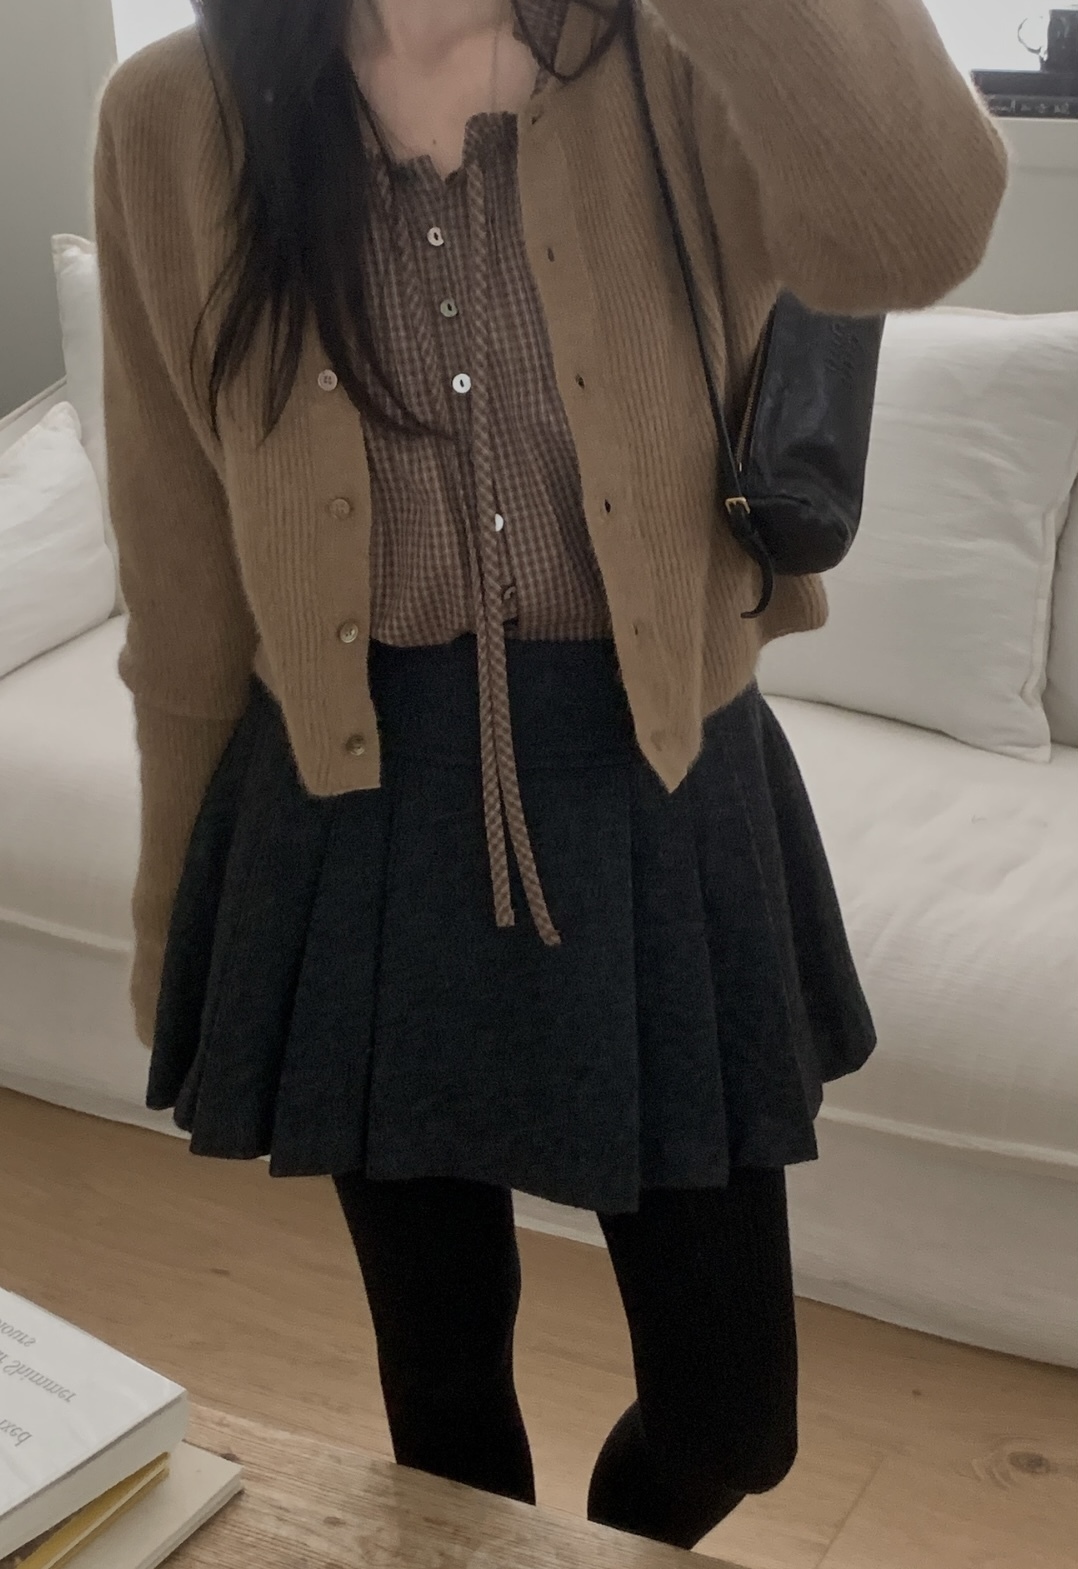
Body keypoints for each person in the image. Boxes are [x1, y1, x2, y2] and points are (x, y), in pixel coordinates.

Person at [92, 0, 1007, 1550]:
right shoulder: (178, 112)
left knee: (732, 1415)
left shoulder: (675, 56)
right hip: (356, 814)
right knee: (444, 1396)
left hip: (653, 780)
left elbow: (915, 230)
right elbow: (178, 557)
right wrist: (173, 909)